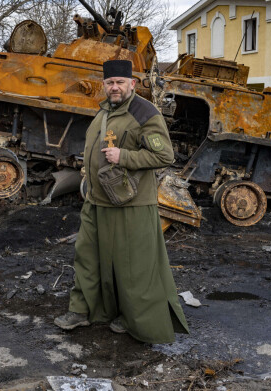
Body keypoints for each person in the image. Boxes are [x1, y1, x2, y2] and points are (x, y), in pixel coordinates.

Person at [54, 59, 189, 344]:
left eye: (119, 82)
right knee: (87, 258)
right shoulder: (104, 111)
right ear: (103, 85)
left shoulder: (144, 112)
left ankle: (133, 320)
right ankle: (82, 311)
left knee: (131, 267)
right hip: (96, 200)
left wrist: (124, 157)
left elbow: (165, 156)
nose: (114, 87)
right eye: (110, 83)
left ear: (132, 84)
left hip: (130, 203)